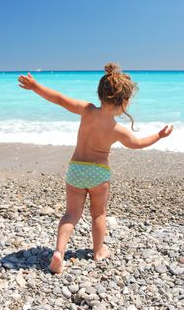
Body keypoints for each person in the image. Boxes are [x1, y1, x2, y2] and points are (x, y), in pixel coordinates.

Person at [18, 63, 173, 273]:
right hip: (99, 174)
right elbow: (137, 144)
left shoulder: (87, 110)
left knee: (71, 214)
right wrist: (159, 135)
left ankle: (59, 252)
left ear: (100, 94)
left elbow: (60, 99)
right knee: (98, 214)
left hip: (76, 170)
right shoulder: (119, 129)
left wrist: (35, 86)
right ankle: (99, 251)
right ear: (125, 102)